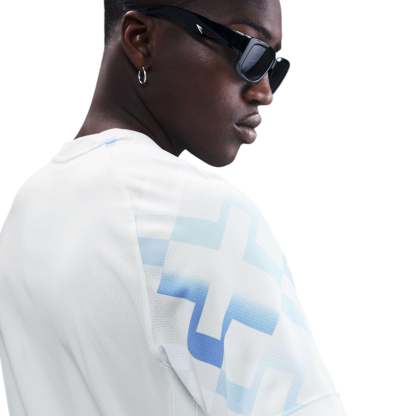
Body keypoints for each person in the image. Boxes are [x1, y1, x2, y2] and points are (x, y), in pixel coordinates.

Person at [0, 1, 347, 415]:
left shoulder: (27, 212)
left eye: (274, 66)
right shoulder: (201, 217)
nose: (264, 91)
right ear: (141, 39)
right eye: (250, 53)